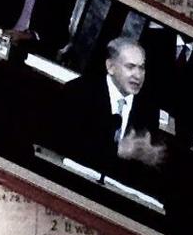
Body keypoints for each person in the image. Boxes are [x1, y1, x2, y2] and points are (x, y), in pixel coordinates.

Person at [52, 37, 168, 193]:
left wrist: (150, 158)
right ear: (111, 67)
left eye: (142, 68)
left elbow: (145, 173)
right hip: (70, 183)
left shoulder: (148, 109)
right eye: (130, 67)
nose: (138, 75)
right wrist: (117, 150)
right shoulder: (79, 91)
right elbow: (64, 142)